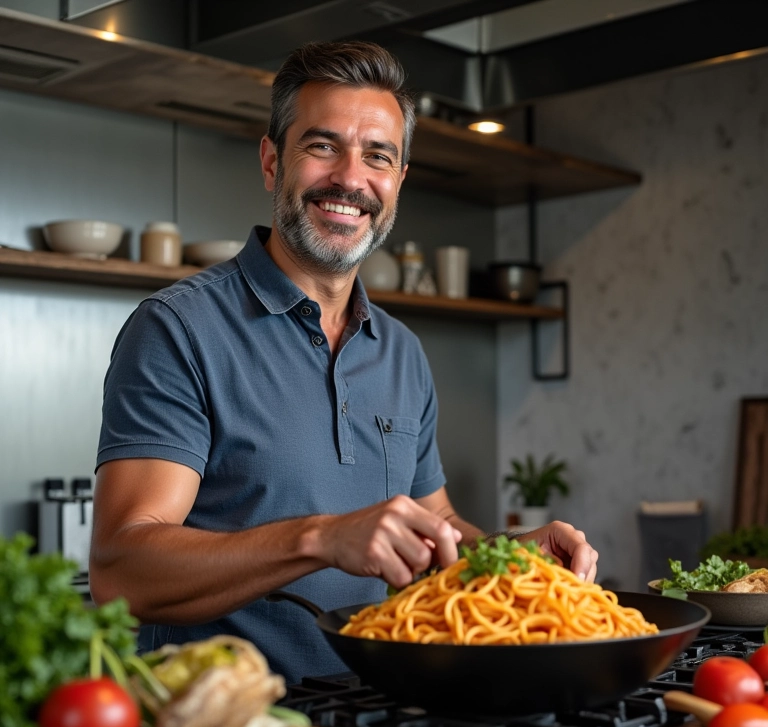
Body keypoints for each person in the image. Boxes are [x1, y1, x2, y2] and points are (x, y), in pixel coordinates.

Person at [89, 40, 598, 683]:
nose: (351, 179)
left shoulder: (401, 352)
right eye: (322, 146)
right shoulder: (179, 330)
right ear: (273, 162)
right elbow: (119, 569)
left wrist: (514, 555)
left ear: (399, 181)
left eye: (377, 156)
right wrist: (321, 537)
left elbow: (433, 523)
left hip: (388, 712)